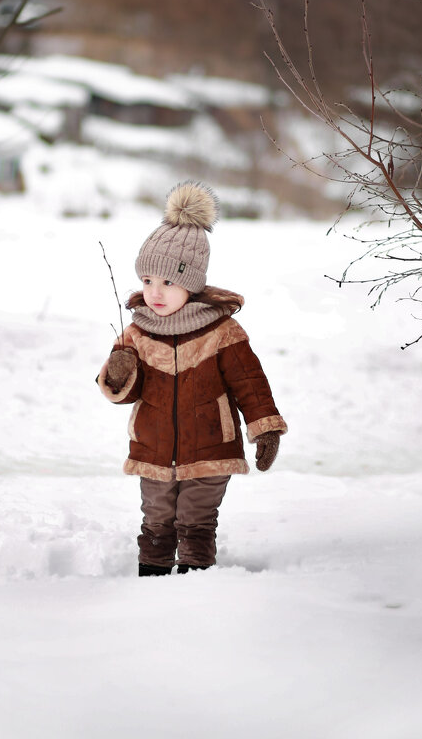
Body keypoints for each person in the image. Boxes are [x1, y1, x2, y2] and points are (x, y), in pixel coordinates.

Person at [97, 181, 287, 577]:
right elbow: (123, 393)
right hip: (152, 447)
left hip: (210, 448)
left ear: (192, 282)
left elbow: (250, 383)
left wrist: (264, 428)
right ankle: (151, 574)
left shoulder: (221, 331)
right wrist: (118, 375)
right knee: (157, 516)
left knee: (195, 516)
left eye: (168, 282)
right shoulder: (136, 332)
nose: (155, 293)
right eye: (147, 281)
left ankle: (196, 580)